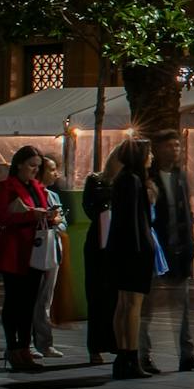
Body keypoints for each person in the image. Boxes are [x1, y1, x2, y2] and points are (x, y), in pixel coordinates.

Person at [0, 146, 57, 371]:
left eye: (38, 167)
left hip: (34, 250)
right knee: (14, 302)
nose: (35, 171)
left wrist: (50, 217)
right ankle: (13, 347)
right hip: (14, 250)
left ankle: (25, 348)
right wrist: (30, 214)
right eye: (31, 166)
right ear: (19, 164)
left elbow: (41, 210)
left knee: (29, 302)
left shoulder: (38, 187)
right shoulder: (6, 186)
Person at [145, 130, 194, 373]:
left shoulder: (180, 176)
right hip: (157, 247)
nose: (175, 150)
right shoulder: (148, 177)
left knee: (184, 305)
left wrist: (190, 243)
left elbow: (185, 214)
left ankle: (188, 354)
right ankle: (144, 354)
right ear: (157, 150)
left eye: (177, 146)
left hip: (179, 248)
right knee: (147, 305)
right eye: (170, 146)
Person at [105, 139, 158, 380]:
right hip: (134, 251)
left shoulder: (122, 180)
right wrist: (141, 251)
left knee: (122, 304)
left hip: (120, 249)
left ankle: (123, 355)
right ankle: (131, 355)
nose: (152, 158)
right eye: (149, 154)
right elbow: (137, 222)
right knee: (133, 305)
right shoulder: (134, 182)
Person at [82, 144, 127, 366]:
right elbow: (90, 207)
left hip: (118, 244)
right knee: (97, 296)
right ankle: (95, 347)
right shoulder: (96, 180)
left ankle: (117, 342)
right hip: (99, 244)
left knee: (117, 298)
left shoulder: (129, 182)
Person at [30, 156, 67, 359]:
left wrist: (57, 221)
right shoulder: (32, 194)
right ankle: (27, 343)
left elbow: (63, 223)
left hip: (53, 249)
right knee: (32, 298)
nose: (55, 174)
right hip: (36, 249)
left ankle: (45, 342)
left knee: (46, 299)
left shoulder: (53, 195)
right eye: (52, 169)